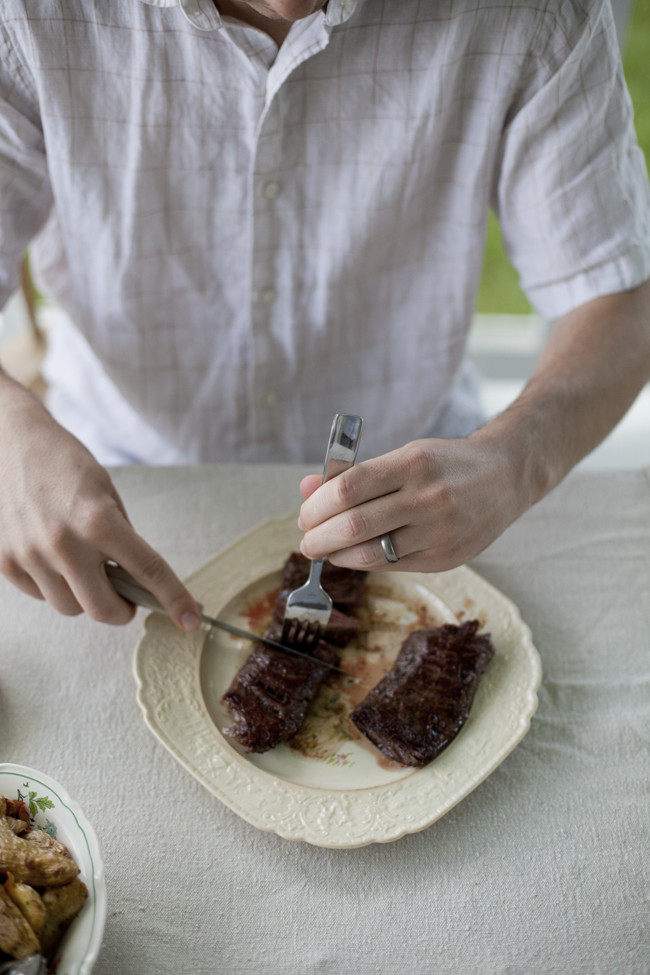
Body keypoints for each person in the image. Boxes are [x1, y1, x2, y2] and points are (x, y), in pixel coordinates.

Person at [0, 0, 649, 632]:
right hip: (117, 491)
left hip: (432, 493)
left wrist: (515, 463)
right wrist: (9, 437)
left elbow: (621, 294)